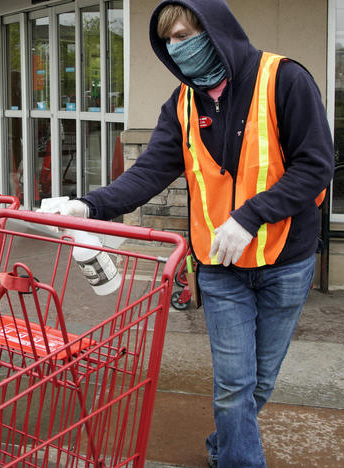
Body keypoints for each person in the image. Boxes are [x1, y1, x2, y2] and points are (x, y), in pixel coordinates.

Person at [55, 1, 333, 467]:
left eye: (185, 35)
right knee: (233, 386)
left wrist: (250, 217)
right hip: (220, 267)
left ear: (216, 29)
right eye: (169, 41)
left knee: (259, 383)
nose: (177, 48)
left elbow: (316, 166)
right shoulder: (182, 103)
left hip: (287, 260)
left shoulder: (284, 80)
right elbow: (148, 173)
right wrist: (90, 204)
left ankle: (223, 445)